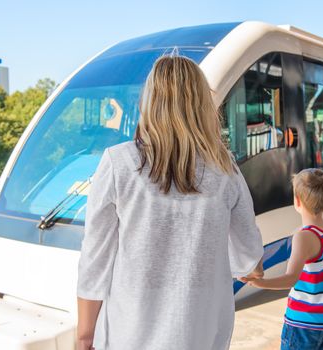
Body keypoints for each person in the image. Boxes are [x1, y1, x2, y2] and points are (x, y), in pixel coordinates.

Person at [76, 55, 264, 350]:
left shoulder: (119, 163)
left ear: (148, 102)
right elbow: (250, 262)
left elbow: (94, 261)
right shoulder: (226, 169)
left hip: (128, 337)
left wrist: (84, 335)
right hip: (202, 336)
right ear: (203, 106)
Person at [242, 168, 323, 350]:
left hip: (303, 326)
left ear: (297, 201)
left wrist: (260, 283)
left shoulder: (304, 237)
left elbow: (291, 278)